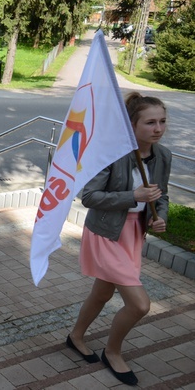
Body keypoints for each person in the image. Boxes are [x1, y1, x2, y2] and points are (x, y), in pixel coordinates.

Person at [67, 93, 170, 387]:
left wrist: (159, 217)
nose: (158, 128)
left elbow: (162, 196)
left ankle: (75, 337)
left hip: (133, 234)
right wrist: (133, 196)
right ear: (131, 125)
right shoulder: (111, 153)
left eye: (162, 121)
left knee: (102, 293)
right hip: (105, 233)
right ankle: (112, 351)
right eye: (150, 122)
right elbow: (89, 197)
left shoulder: (163, 156)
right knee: (139, 305)